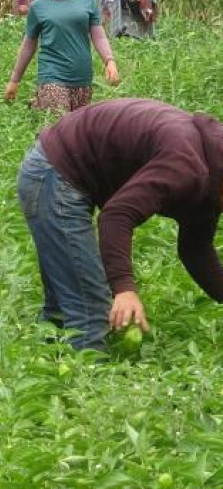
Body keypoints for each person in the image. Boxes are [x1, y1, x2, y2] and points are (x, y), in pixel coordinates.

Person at [16, 99, 223, 351]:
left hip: (64, 170)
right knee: (89, 308)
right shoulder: (185, 166)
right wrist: (124, 288)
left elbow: (196, 250)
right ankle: (84, 386)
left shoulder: (212, 185)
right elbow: (116, 215)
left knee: (63, 307)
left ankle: (45, 371)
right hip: (54, 171)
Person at [5, 0, 121, 114]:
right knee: (59, 124)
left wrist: (109, 61)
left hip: (82, 79)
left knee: (77, 134)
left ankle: (36, 106)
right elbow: (29, 44)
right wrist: (14, 80)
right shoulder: (39, 6)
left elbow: (98, 35)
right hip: (52, 77)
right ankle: (41, 102)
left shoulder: (86, 1)